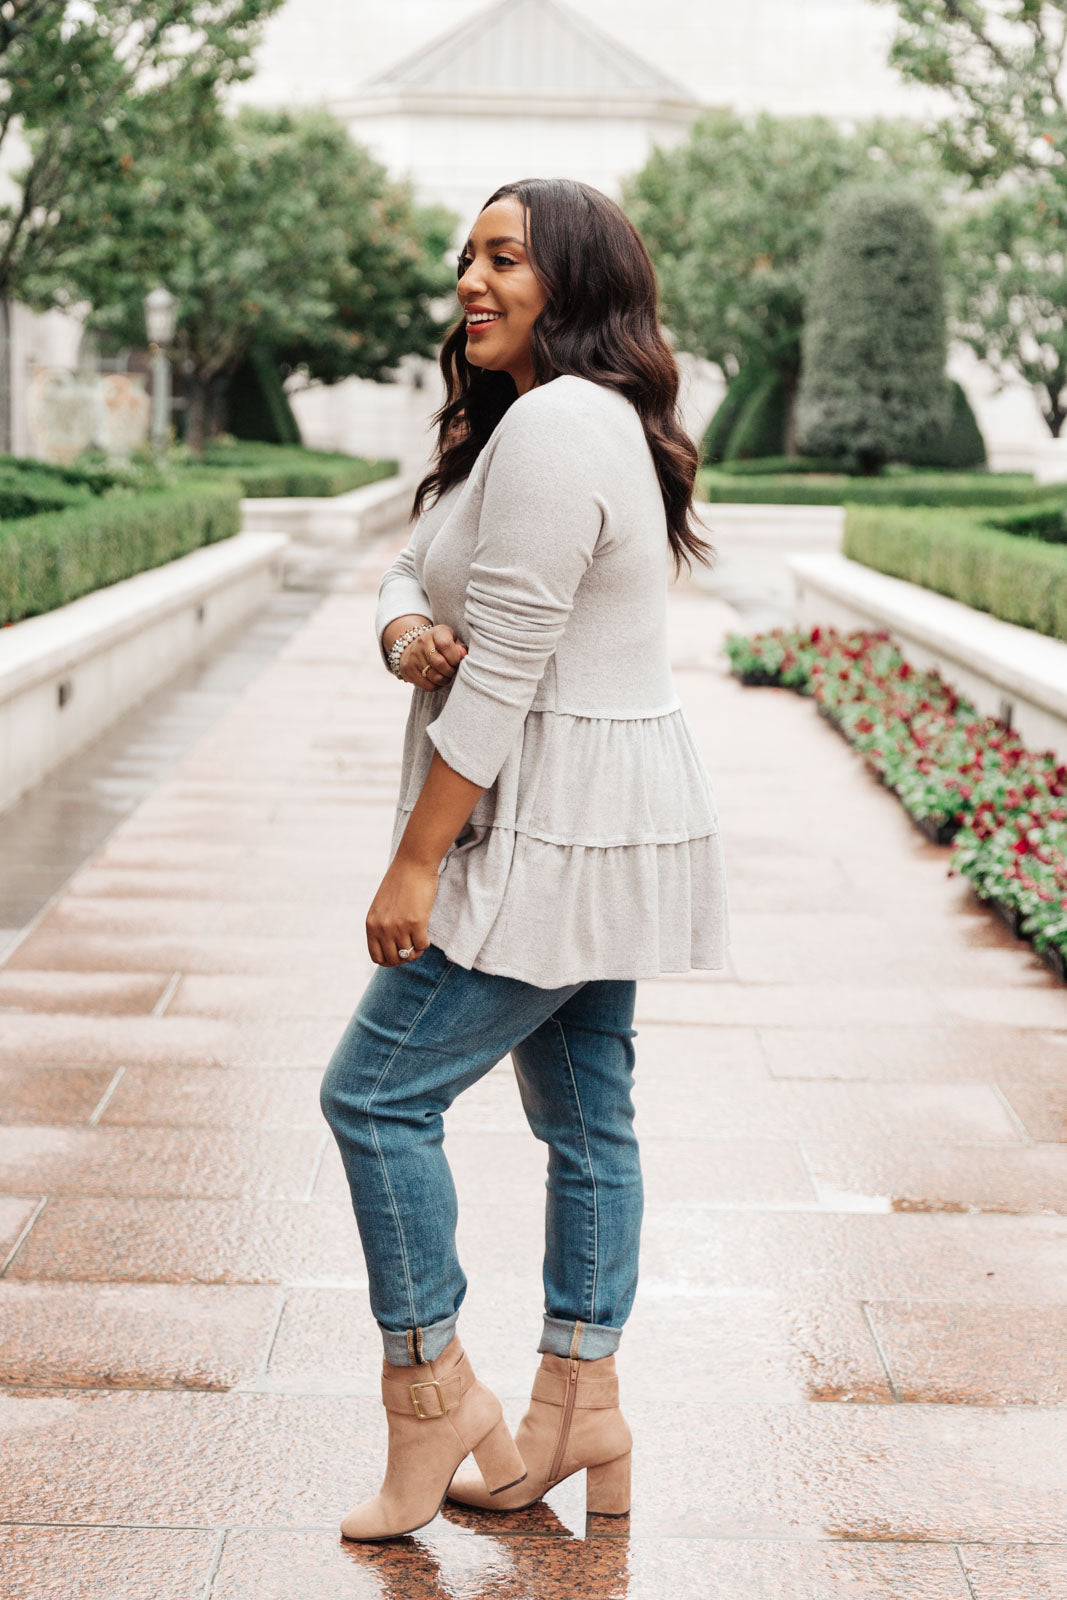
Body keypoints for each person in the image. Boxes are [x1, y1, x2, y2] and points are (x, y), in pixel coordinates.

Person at [319, 176, 731, 1543]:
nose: (472, 282)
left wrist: (414, 865)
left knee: (376, 1094)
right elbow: (410, 569)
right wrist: (398, 633)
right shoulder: (538, 422)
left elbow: (499, 684)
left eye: (506, 257)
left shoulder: (559, 425)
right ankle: (578, 1397)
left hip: (548, 825)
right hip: (598, 814)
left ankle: (432, 1390)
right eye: (468, 259)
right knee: (584, 1112)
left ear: (575, 278)